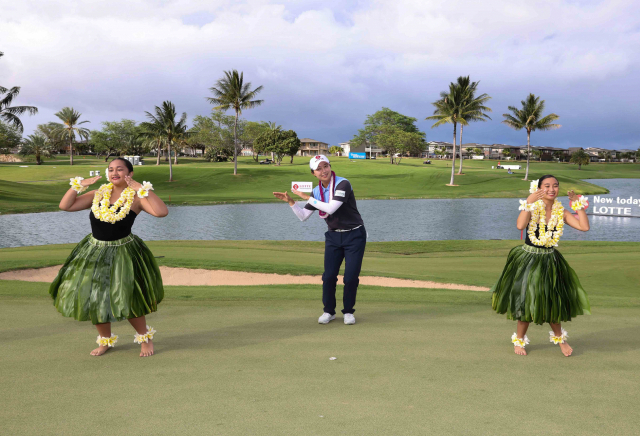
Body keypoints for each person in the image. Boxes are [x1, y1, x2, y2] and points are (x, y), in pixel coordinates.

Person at [50, 157, 168, 357]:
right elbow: (65, 206)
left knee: (129, 296)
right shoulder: (98, 194)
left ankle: (145, 338)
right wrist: (79, 186)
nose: (114, 172)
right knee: (94, 297)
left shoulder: (137, 198)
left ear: (129, 174)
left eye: (120, 169)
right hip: (93, 251)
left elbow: (161, 212)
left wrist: (143, 189)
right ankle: (106, 341)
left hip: (124, 252)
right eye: (111, 169)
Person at [491, 175, 591, 357]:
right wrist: (528, 203)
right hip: (528, 260)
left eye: (555, 186)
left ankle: (560, 339)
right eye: (547, 186)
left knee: (552, 300)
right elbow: (520, 225)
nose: (551, 189)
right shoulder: (533, 207)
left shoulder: (562, 211)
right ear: (538, 188)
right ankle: (519, 340)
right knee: (527, 300)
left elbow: (584, 227)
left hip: (550, 261)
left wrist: (578, 206)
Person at [273, 155, 366, 325]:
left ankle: (348, 312)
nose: (323, 171)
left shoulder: (342, 184)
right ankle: (329, 311)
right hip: (333, 236)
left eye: (325, 166)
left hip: (355, 235)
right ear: (313, 173)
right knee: (329, 276)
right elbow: (303, 217)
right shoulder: (317, 192)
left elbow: (331, 208)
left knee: (350, 277)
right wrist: (292, 201)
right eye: (319, 169)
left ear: (330, 167)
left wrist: (306, 197)